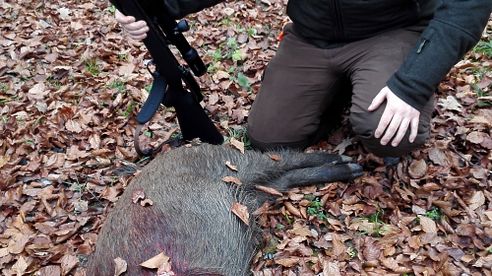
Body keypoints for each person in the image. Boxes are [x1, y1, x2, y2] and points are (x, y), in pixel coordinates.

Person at [114, 1, 491, 159]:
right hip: (313, 36)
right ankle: (345, 88)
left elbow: (466, 7)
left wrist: (413, 85)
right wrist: (154, 7)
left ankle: (383, 79)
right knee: (269, 138)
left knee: (385, 133)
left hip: (392, 31)